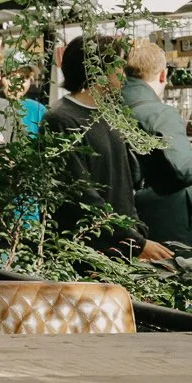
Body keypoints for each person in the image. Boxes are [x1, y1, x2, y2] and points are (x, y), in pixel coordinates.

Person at [42, 35, 173, 261]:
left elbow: (123, 184)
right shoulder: (61, 119)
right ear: (97, 69)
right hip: (87, 252)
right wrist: (135, 241)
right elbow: (81, 197)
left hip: (119, 246)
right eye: (119, 66)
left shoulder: (109, 114)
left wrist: (136, 233)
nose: (124, 75)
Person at [121, 40, 192, 248]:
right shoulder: (160, 114)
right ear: (163, 74)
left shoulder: (105, 106)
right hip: (165, 222)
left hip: (122, 218)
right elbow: (184, 169)